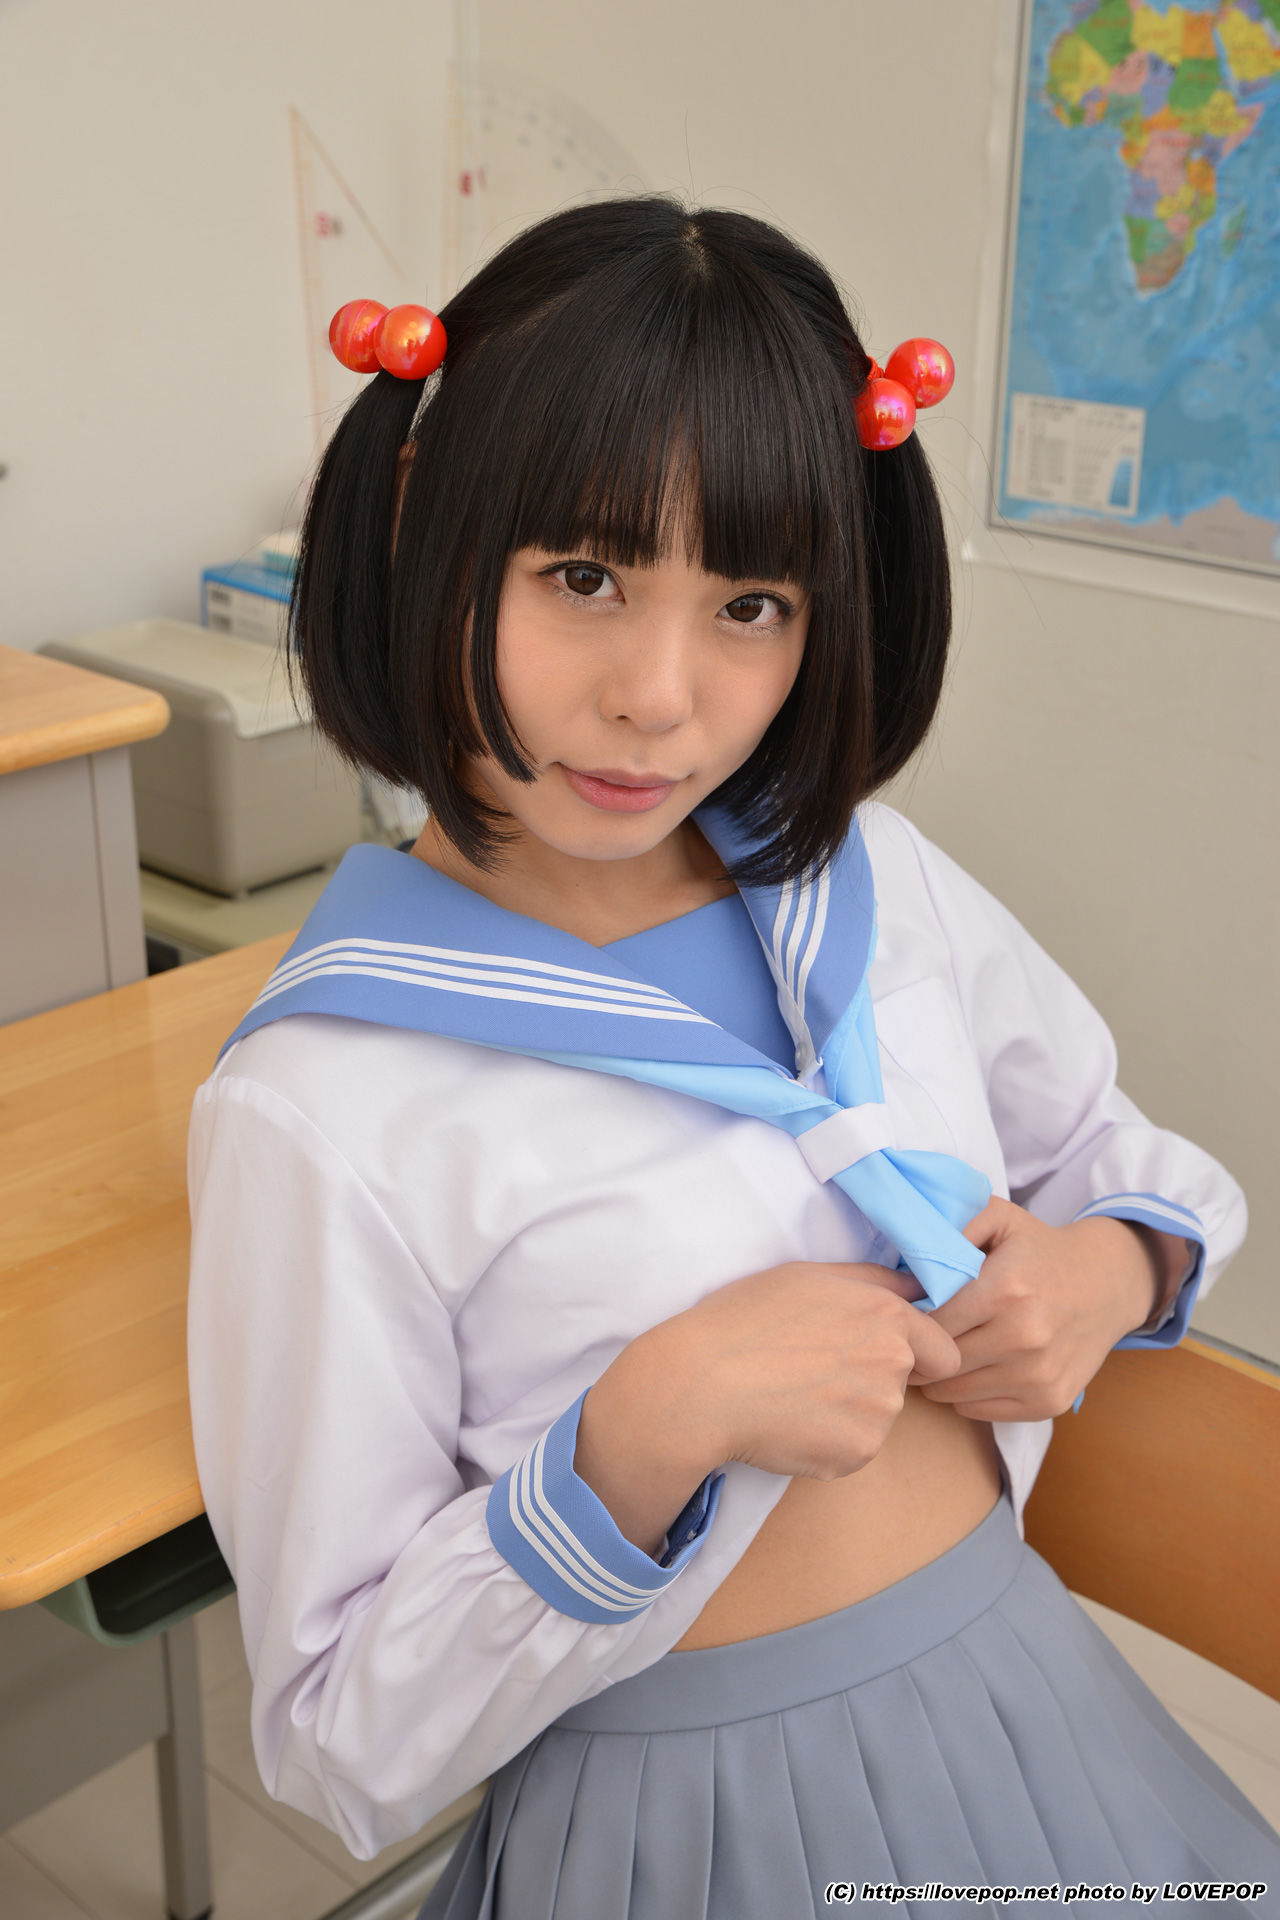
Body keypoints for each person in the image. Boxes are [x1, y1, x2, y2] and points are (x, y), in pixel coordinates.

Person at [186, 197, 1280, 1919]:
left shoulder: (876, 880)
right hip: (687, 1833)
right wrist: (635, 1438)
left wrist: (1109, 1266)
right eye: (583, 578)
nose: (660, 695)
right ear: (419, 535)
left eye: (751, 603)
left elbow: (1113, 1150)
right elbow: (341, 1737)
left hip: (1031, 1709)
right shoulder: (321, 1101)